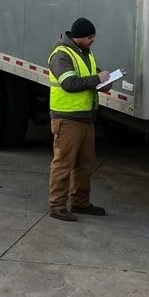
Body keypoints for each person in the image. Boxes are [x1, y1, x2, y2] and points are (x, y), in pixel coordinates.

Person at [46, 17, 110, 222]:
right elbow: (69, 83)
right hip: (67, 119)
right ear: (78, 37)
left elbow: (89, 76)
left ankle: (80, 202)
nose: (93, 40)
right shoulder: (61, 55)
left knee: (84, 163)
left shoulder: (85, 52)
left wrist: (104, 82)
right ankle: (57, 206)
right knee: (64, 163)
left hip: (85, 117)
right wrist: (97, 79)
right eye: (89, 37)